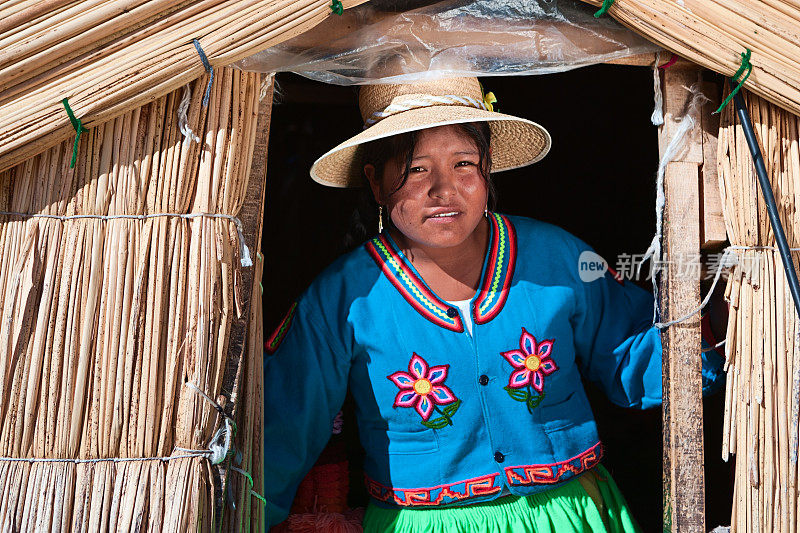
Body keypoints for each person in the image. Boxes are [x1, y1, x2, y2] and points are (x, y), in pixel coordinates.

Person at [263, 77, 725, 532]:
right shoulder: (342, 297)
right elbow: (284, 429)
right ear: (376, 182)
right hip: (423, 523)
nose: (444, 190)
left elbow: (632, 354)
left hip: (565, 515)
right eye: (417, 168)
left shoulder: (559, 258)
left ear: (488, 170)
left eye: (464, 163)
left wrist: (723, 324)